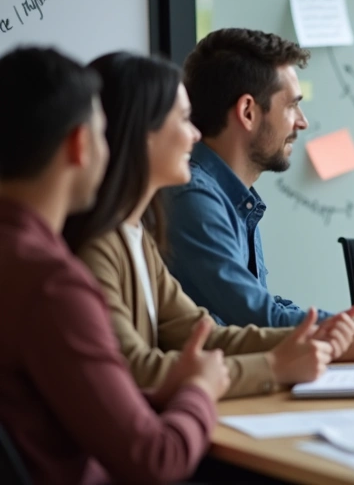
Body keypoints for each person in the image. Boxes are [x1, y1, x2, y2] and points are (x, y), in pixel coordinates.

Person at [64, 52, 354, 399]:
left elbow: (204, 333)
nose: (194, 135)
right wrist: (275, 366)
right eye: (184, 120)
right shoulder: (98, 247)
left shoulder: (136, 237)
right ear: (144, 133)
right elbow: (136, 370)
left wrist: (309, 339)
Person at [0, 46, 228, 483]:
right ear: (80, 145)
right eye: (104, 133)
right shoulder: (51, 284)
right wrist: (199, 388)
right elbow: (155, 459)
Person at [163, 28, 354, 358]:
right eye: (292, 106)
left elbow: (267, 305)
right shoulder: (192, 199)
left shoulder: (232, 195)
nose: (302, 122)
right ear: (248, 112)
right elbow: (259, 317)